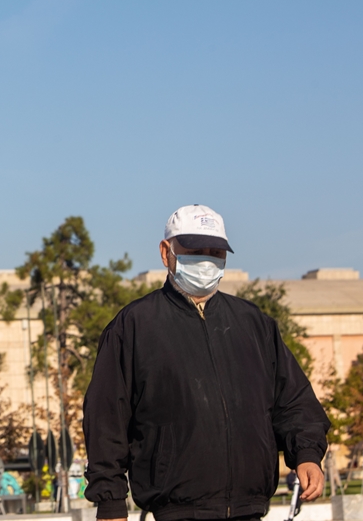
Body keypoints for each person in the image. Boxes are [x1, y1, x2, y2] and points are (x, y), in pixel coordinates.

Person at [83, 204, 330, 521]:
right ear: (166, 253)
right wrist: (110, 501)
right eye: (195, 250)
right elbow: (106, 417)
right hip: (177, 510)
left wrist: (307, 455)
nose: (206, 260)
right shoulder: (134, 326)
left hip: (250, 509)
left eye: (215, 252)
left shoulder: (254, 324)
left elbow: (293, 400)